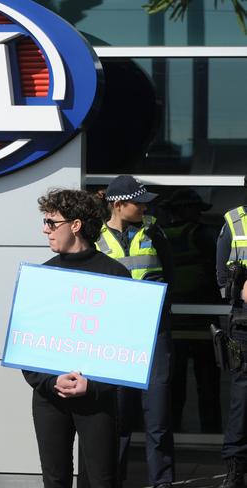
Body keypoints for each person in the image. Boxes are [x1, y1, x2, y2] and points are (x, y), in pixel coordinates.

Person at [22, 189, 130, 488]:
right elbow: (27, 344)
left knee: (101, 479)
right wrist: (50, 380)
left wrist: (94, 384)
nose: (45, 229)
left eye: (51, 222)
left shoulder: (115, 273)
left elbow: (126, 345)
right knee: (54, 478)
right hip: (49, 396)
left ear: (76, 225)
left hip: (97, 397)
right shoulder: (42, 276)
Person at [95, 175, 175, 488]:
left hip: (154, 334)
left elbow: (170, 278)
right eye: (138, 201)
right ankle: (113, 480)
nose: (144, 206)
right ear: (118, 204)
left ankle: (163, 482)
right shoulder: (96, 236)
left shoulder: (155, 230)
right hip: (114, 336)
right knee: (118, 417)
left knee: (158, 417)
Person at [160, 189, 222, 433]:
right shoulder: (204, 235)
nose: (198, 214)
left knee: (174, 387)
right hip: (204, 322)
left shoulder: (160, 236)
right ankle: (212, 434)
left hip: (175, 322)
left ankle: (173, 431)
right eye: (194, 208)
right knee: (208, 386)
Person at [216, 178, 247, 488]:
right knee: (241, 400)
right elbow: (222, 278)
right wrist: (240, 288)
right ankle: (235, 470)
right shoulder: (233, 220)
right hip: (244, 324)